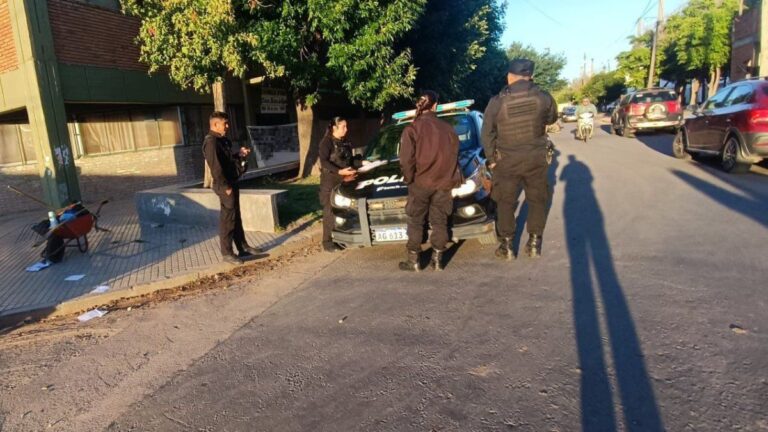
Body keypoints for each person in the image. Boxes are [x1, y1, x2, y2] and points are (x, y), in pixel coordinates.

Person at [481, 58, 558, 260]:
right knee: (537, 200)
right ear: (530, 76)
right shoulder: (544, 97)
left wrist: (492, 159)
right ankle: (534, 244)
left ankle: (507, 247)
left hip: (506, 160)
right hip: (535, 157)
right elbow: (551, 119)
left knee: (505, 202)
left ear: (509, 76)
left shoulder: (497, 101)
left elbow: (487, 132)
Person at [398, 90, 461, 272]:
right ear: (435, 106)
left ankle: (414, 261)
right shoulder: (448, 129)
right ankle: (438, 260)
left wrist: (409, 180)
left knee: (416, 220)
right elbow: (455, 155)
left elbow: (406, 160)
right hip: (443, 183)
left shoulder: (412, 128)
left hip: (420, 183)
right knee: (440, 221)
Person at [202, 111, 263, 265]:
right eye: (225, 123)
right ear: (215, 124)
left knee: (236, 216)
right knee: (227, 219)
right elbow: (215, 167)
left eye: (228, 123)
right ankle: (227, 253)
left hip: (231, 182)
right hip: (225, 186)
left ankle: (242, 247)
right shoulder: (211, 142)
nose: (228, 126)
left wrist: (239, 154)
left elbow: (227, 160)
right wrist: (225, 186)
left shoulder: (221, 140)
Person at [318, 117, 363, 252]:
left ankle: (340, 238)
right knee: (329, 211)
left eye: (346, 126)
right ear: (334, 128)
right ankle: (327, 242)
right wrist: (339, 171)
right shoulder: (326, 142)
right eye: (343, 126)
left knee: (344, 209)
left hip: (346, 180)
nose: (346, 129)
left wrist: (362, 163)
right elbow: (324, 161)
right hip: (330, 181)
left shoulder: (345, 142)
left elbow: (349, 161)